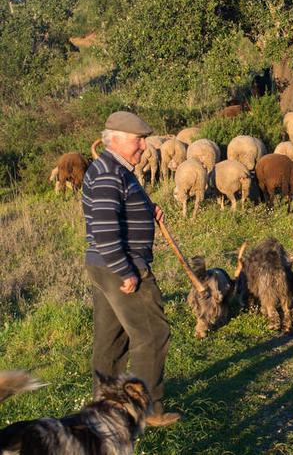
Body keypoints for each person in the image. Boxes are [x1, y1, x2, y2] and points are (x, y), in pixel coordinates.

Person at [82, 111, 180, 427]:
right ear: (117, 138)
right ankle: (148, 410)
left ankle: (105, 405)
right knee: (152, 333)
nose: (143, 145)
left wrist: (144, 208)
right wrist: (126, 270)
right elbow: (105, 227)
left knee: (111, 340)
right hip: (120, 266)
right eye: (138, 139)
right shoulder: (110, 173)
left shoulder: (113, 169)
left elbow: (116, 209)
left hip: (103, 264)